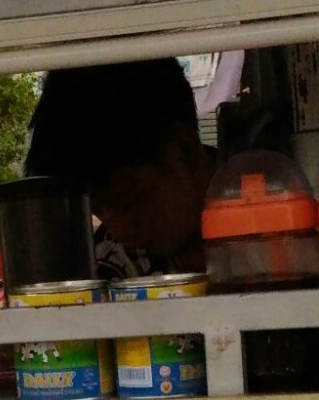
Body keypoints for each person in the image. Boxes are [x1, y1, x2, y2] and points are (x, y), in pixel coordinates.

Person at [24, 59, 216, 278]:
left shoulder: (250, 216)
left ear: (185, 151)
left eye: (130, 202)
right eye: (97, 211)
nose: (121, 232)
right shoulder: (108, 268)